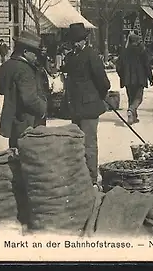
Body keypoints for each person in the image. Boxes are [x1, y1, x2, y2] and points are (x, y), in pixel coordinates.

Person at [61, 23, 111, 189]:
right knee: (77, 142)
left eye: (78, 41)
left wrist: (99, 95)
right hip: (75, 106)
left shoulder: (91, 55)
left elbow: (103, 82)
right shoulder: (71, 56)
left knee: (89, 143)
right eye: (73, 41)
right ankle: (80, 175)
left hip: (89, 107)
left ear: (84, 40)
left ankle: (91, 178)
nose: (75, 44)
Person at [0, 31, 48, 148]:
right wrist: (43, 109)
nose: (36, 56)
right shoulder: (25, 69)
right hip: (27, 121)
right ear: (25, 52)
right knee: (28, 156)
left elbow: (1, 90)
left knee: (14, 151)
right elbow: (30, 99)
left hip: (13, 121)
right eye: (35, 53)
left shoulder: (6, 65)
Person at [116, 34, 153, 125]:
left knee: (131, 97)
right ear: (137, 42)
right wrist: (150, 78)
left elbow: (118, 67)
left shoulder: (124, 52)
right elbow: (147, 66)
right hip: (139, 79)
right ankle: (132, 110)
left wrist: (122, 76)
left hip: (127, 79)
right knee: (138, 98)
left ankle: (133, 118)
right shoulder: (142, 51)